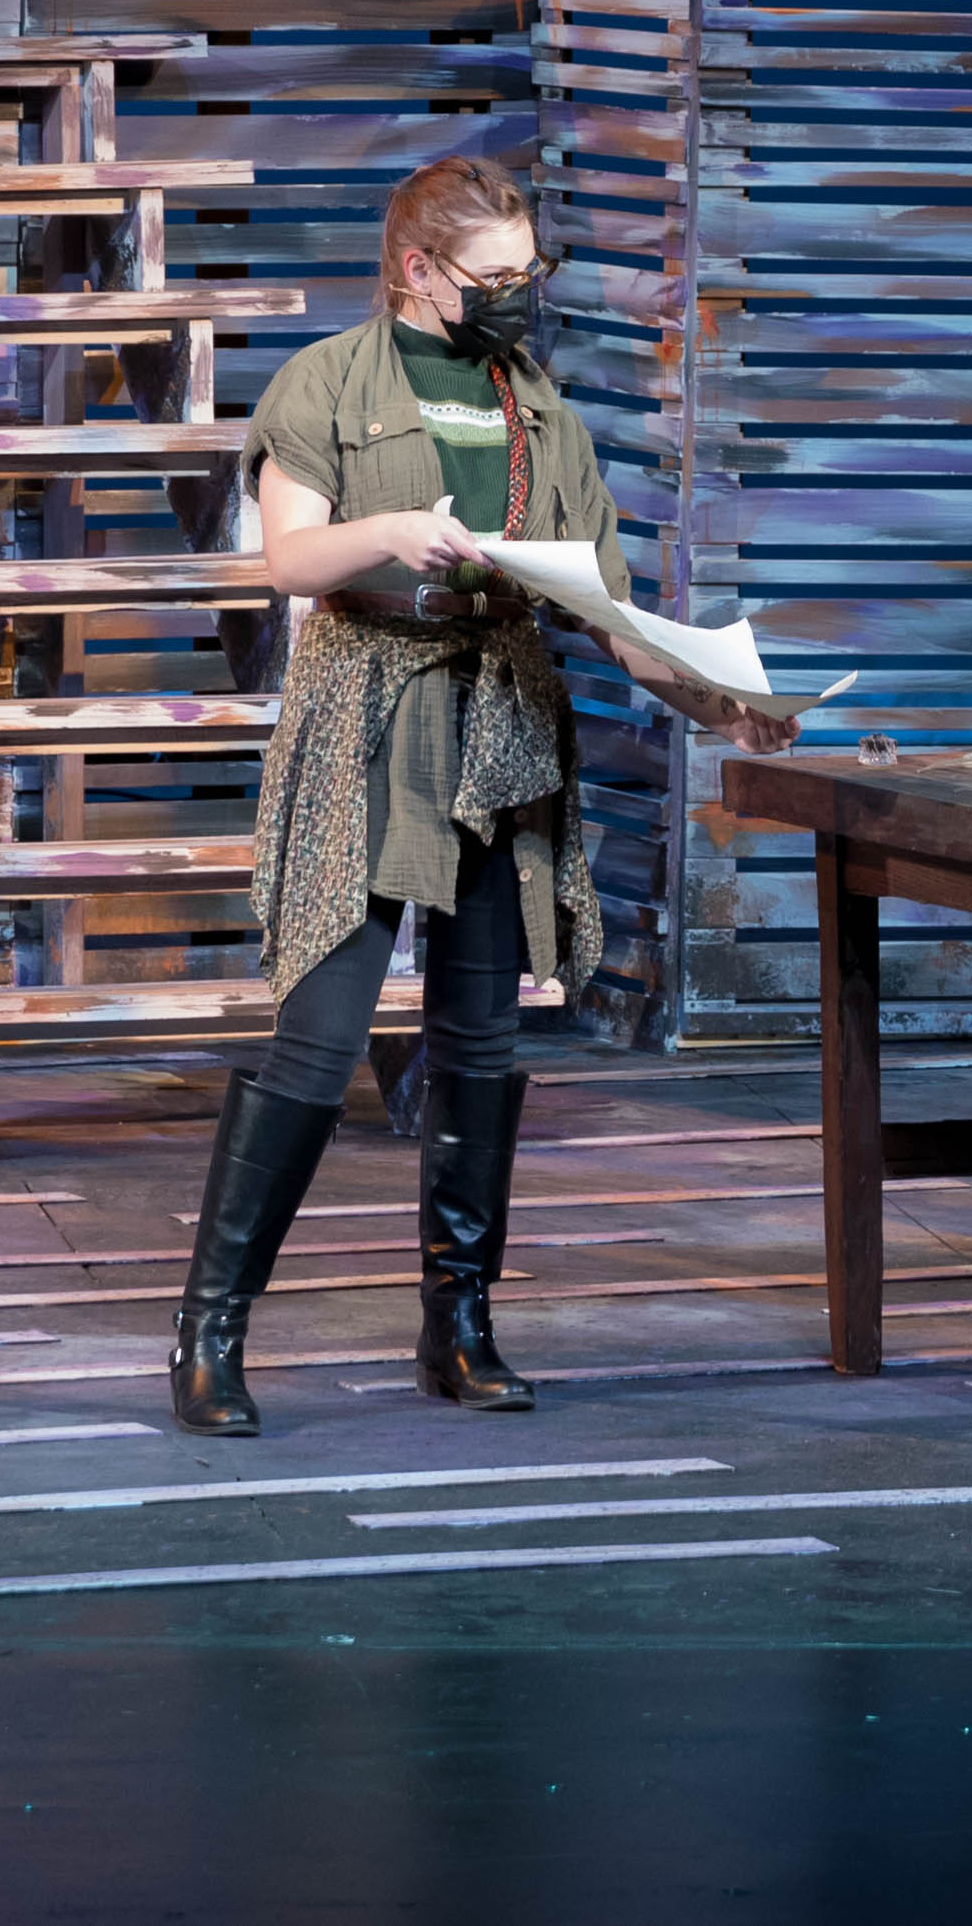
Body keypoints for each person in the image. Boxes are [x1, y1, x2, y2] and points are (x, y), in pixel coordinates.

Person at [170, 154, 796, 1436]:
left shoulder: (540, 411)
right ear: (417, 267)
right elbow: (287, 558)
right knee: (320, 1036)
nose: (517, 298)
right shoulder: (328, 384)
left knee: (482, 1043)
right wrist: (389, 530)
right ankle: (212, 1330)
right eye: (494, 278)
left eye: (529, 275)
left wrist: (717, 698)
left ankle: (458, 1323)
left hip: (502, 730)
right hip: (367, 725)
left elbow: (609, 617)